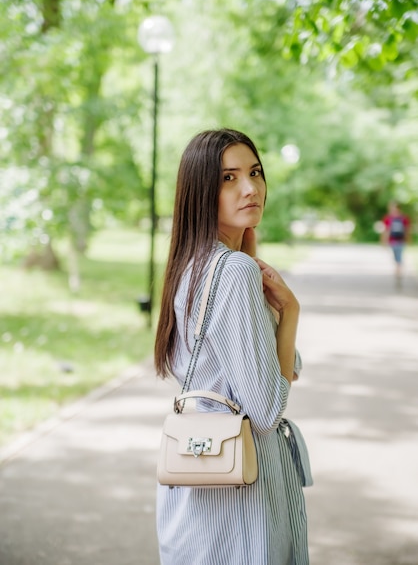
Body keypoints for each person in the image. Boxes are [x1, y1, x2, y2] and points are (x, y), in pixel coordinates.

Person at [154, 128, 312, 565]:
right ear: (201, 192)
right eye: (229, 178)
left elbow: (285, 367)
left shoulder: (190, 264)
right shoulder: (234, 271)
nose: (250, 188)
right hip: (240, 495)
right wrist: (291, 312)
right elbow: (265, 408)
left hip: (195, 489)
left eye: (255, 173)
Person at [381, 201, 411, 283]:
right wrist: (408, 239)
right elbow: (406, 230)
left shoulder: (389, 218)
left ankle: (398, 270)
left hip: (394, 240)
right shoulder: (404, 218)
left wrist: (383, 241)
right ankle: (398, 269)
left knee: (397, 257)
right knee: (398, 257)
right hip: (399, 240)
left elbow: (386, 231)